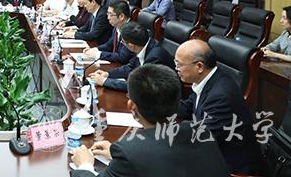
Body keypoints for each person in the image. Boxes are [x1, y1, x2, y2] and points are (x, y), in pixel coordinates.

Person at [70, 64, 229, 177]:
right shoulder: (201, 132)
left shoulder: (129, 151)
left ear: (132, 106)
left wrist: (85, 165)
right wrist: (120, 158)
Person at [175, 39, 264, 174]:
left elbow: (200, 138)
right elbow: (187, 107)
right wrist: (153, 110)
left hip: (232, 167)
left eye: (179, 64)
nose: (176, 68)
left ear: (199, 66)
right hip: (212, 152)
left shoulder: (220, 96)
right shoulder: (207, 80)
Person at [88, 21, 174, 91]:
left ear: (131, 46)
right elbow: (129, 68)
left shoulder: (155, 57)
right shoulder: (143, 46)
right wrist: (107, 74)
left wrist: (105, 81)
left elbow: (140, 86)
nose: (122, 44)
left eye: (123, 42)